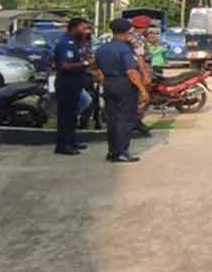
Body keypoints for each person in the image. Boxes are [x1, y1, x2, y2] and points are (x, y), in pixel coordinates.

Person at [95, 18, 149, 163]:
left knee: (112, 119)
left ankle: (112, 152)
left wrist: (104, 82)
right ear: (127, 31)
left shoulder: (102, 48)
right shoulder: (125, 49)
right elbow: (131, 72)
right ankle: (121, 152)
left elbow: (97, 69)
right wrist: (143, 90)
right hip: (124, 85)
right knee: (125, 119)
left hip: (108, 83)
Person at [53, 18, 91, 155]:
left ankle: (71, 141)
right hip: (66, 84)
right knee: (66, 116)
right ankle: (63, 145)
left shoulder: (75, 43)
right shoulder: (65, 43)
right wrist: (86, 64)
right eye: (83, 28)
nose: (86, 31)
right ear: (74, 28)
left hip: (75, 84)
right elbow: (65, 66)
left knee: (72, 115)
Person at [127, 15, 154, 137]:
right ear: (144, 27)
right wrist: (146, 75)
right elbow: (140, 58)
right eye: (148, 26)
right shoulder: (138, 39)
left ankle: (133, 121)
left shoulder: (130, 35)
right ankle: (135, 121)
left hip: (132, 71)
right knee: (143, 97)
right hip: (139, 71)